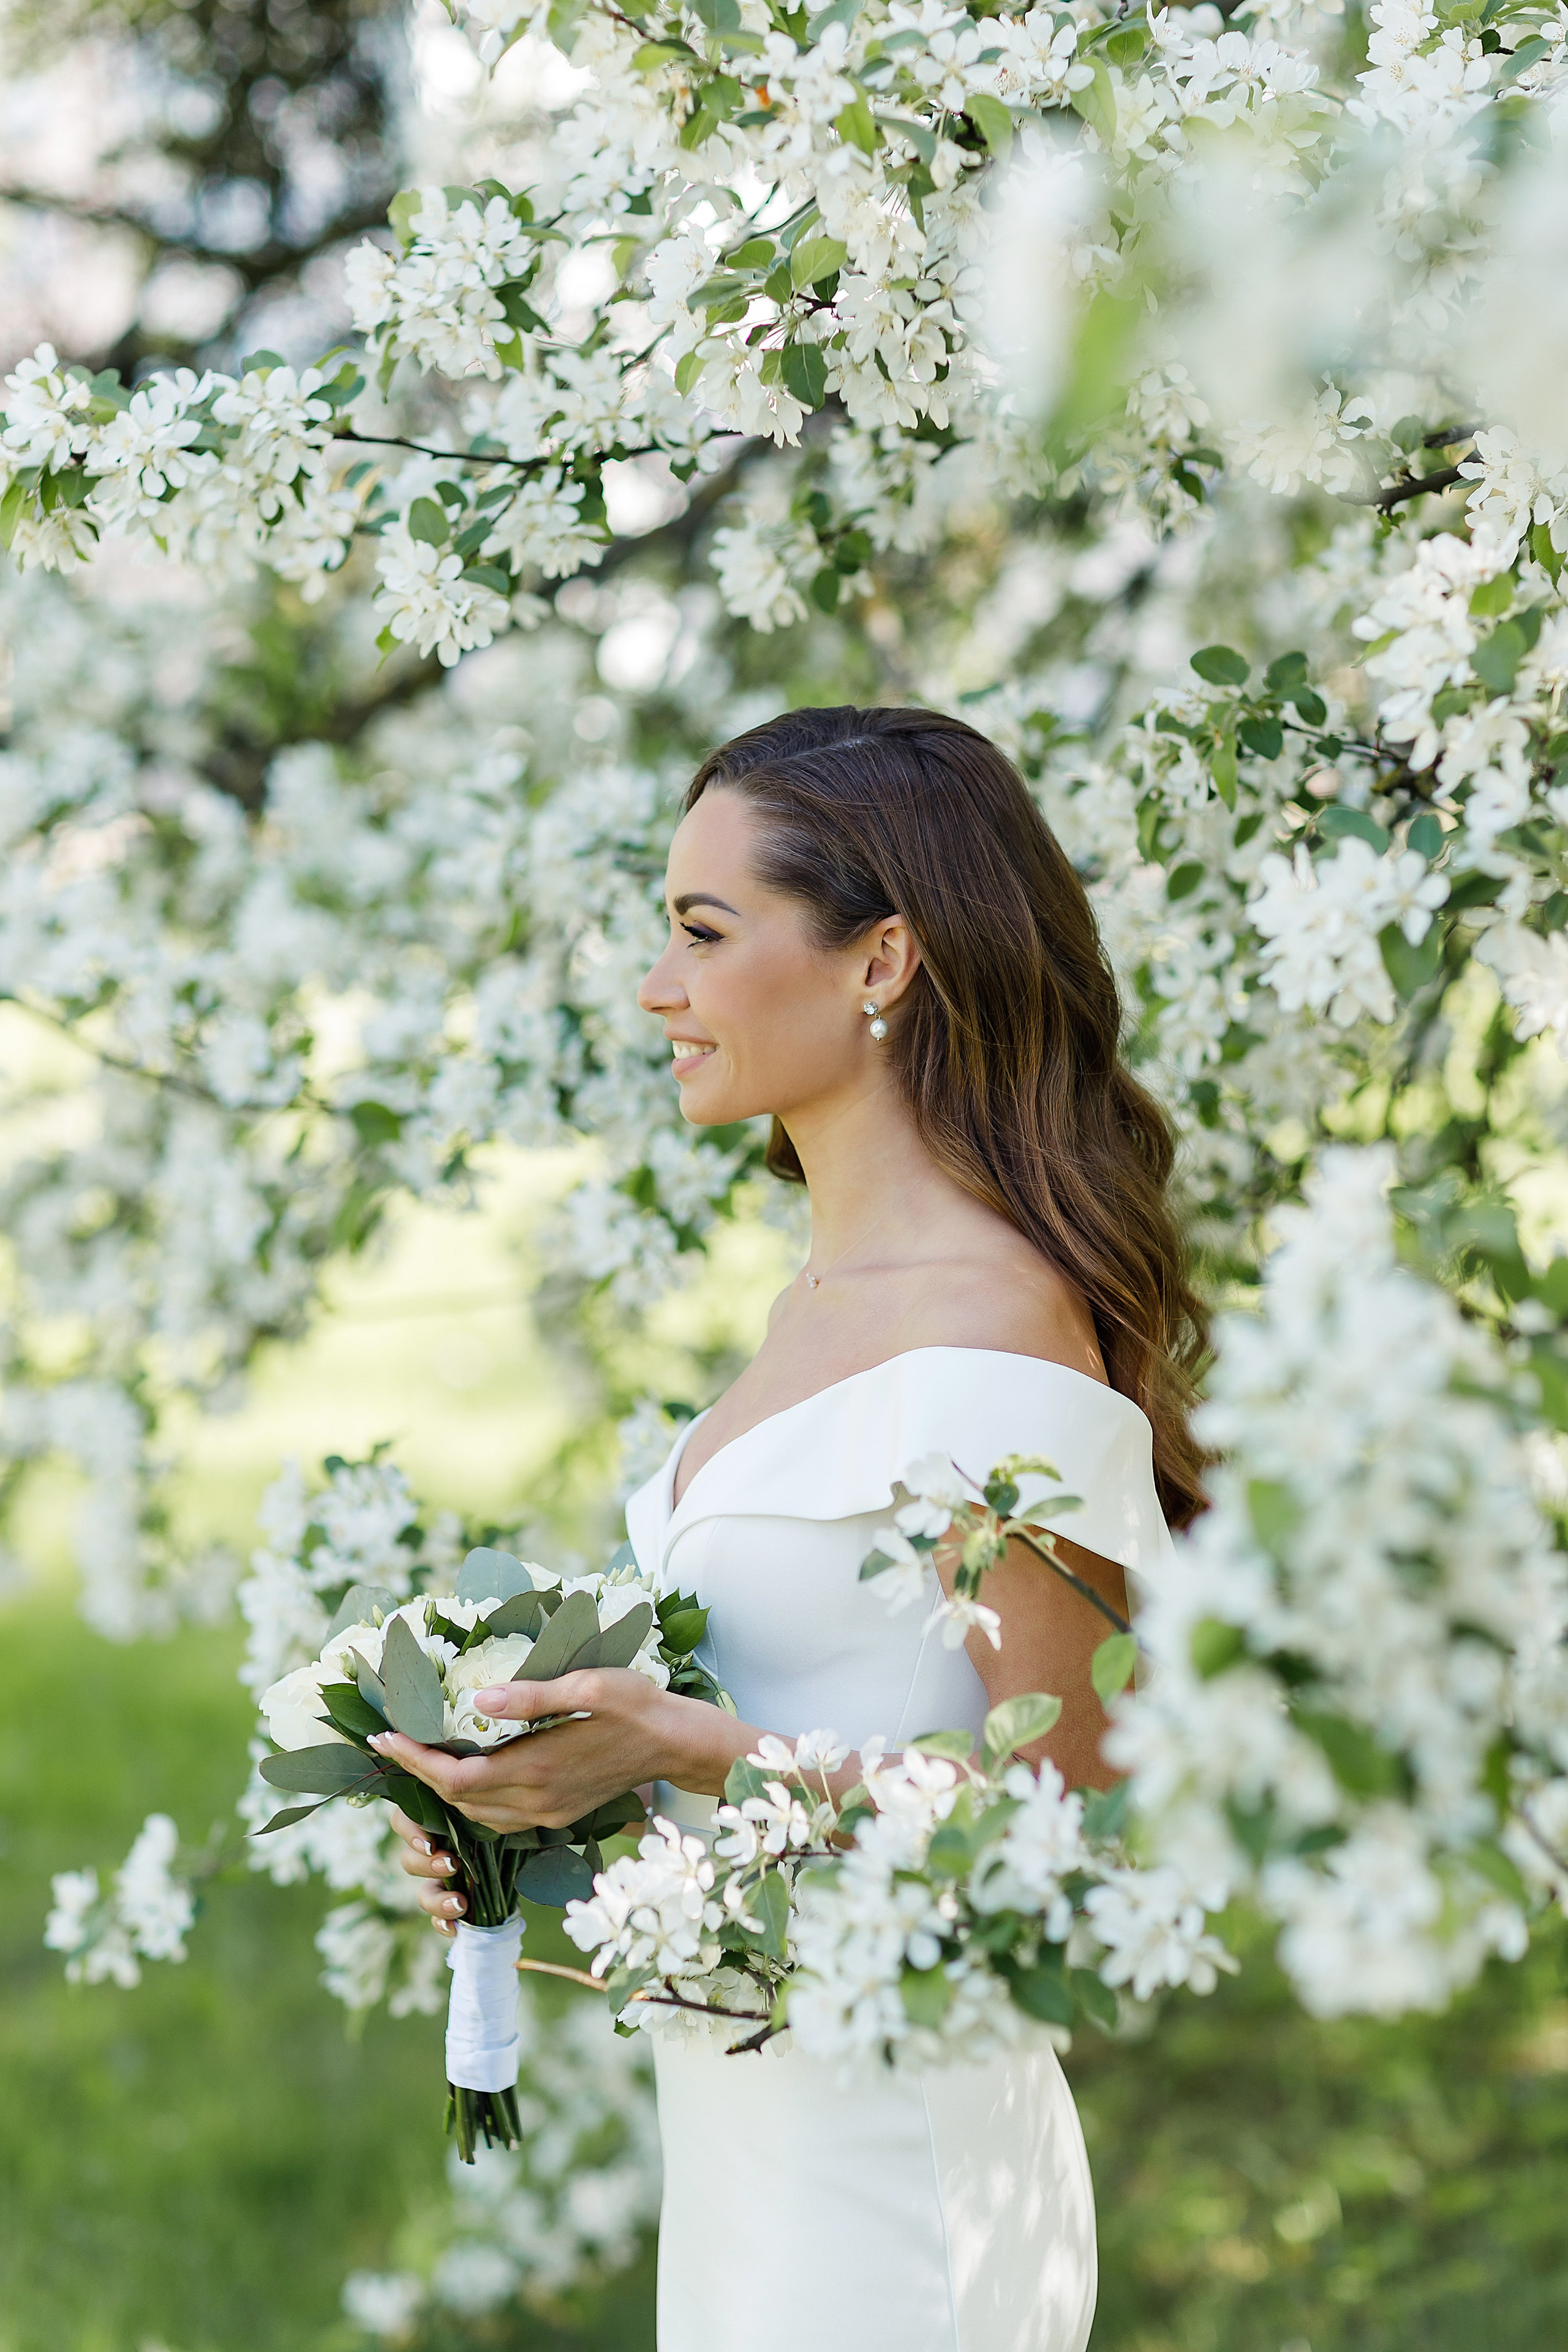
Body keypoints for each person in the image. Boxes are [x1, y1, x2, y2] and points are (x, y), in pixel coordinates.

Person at [377, 706, 1207, 2352]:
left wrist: (689, 1750)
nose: (656, 987)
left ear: (879, 960)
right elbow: (826, 1721)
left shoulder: (991, 1325)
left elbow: (1079, 1819)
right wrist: (537, 1808)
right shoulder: (809, 1304)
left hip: (906, 2179)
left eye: (703, 931)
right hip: (758, 2150)